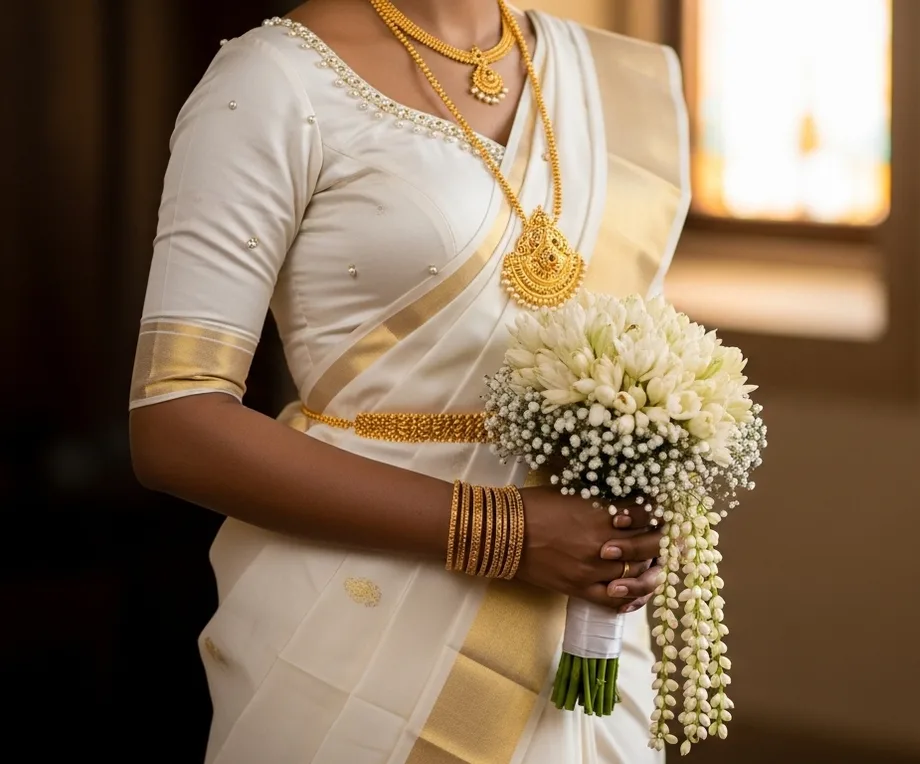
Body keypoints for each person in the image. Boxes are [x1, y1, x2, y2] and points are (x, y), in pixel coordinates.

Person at [127, 0, 689, 761]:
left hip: (576, 621)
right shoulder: (273, 82)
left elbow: (632, 357)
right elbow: (176, 422)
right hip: (358, 614)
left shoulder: (620, 81)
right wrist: (506, 534)